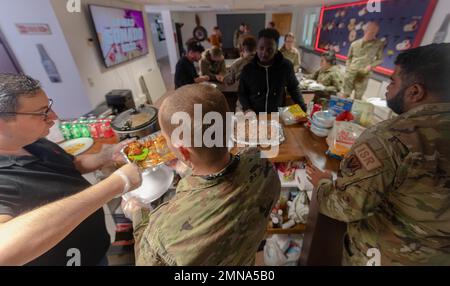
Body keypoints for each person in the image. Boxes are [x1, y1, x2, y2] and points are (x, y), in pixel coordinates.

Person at [306, 43, 450, 266]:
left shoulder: (391, 137)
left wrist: (323, 185)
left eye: (392, 82)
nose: (387, 88)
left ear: (415, 92)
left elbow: (348, 206)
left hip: (389, 255)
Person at [127, 84, 281, 266]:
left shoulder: (163, 229)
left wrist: (138, 214)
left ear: (183, 151)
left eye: (166, 139)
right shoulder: (264, 167)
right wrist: (187, 168)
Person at [0, 73, 142, 266]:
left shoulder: (34, 142)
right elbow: (5, 249)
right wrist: (117, 184)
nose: (54, 117)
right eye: (42, 113)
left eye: (48, 107)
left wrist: (105, 156)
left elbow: (71, 164)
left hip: (94, 249)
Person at [238, 28, 307, 113]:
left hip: (276, 116)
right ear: (257, 48)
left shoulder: (286, 67)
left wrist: (303, 109)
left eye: (269, 49)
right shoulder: (248, 69)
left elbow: (294, 88)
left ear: (276, 49)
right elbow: (242, 93)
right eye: (261, 48)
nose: (264, 53)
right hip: (255, 116)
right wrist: (247, 108)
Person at [343, 21, 384, 100]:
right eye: (370, 30)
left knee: (358, 97)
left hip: (363, 74)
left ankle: (353, 112)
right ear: (365, 30)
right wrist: (348, 69)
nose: (373, 33)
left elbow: (380, 59)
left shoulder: (378, 44)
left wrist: (370, 66)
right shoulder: (355, 44)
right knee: (345, 94)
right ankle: (342, 112)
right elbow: (349, 58)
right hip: (351, 72)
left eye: (375, 32)